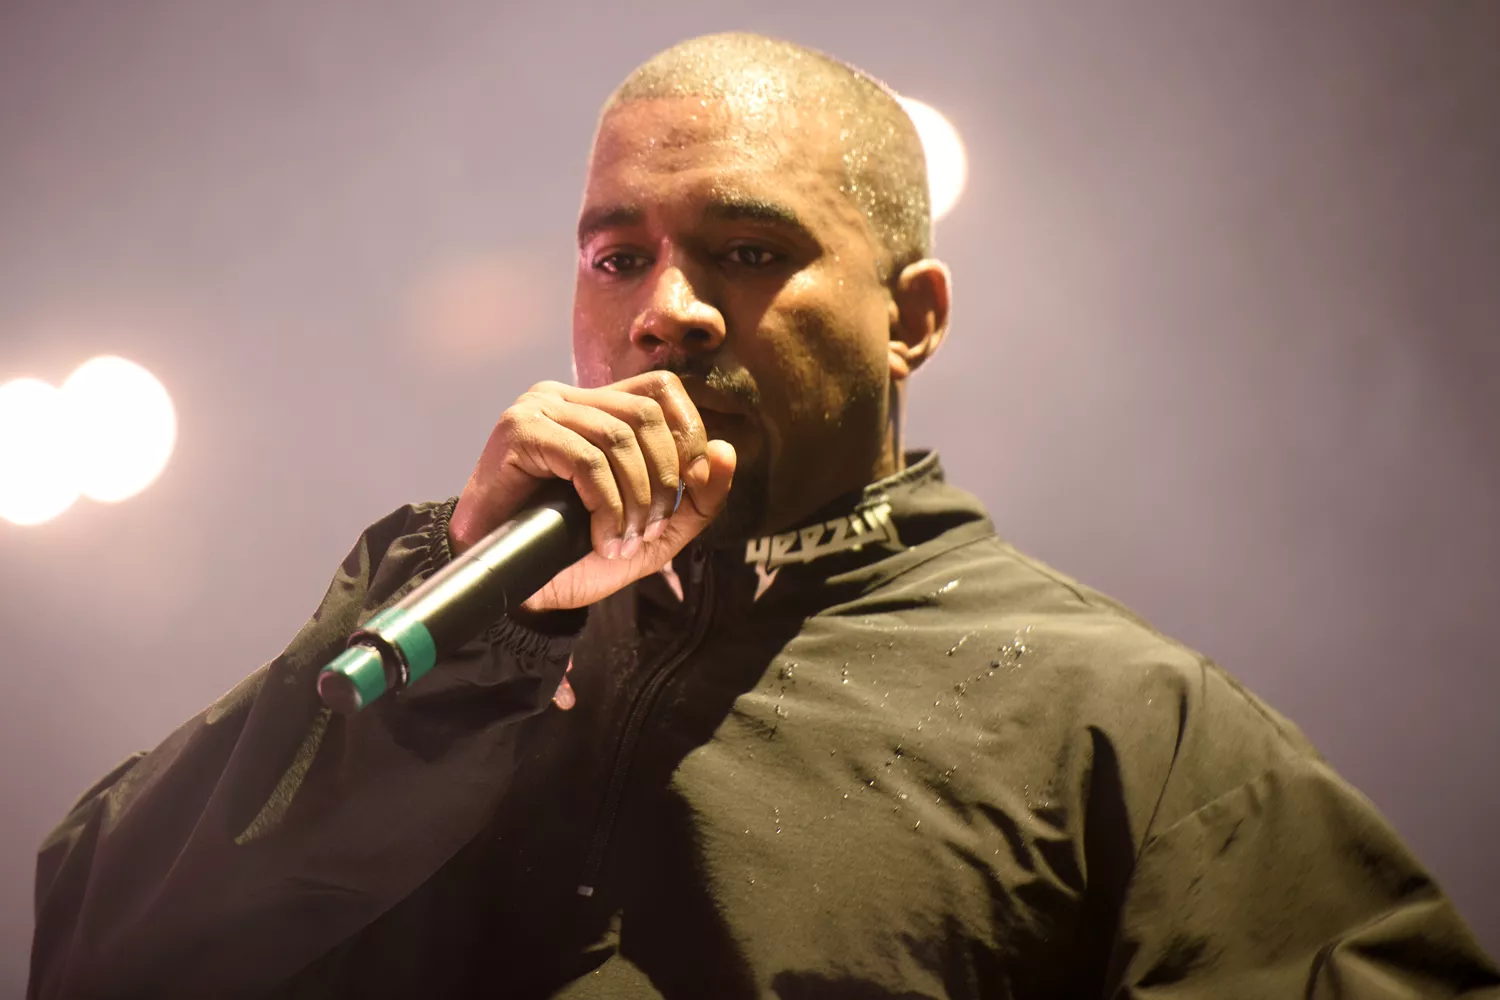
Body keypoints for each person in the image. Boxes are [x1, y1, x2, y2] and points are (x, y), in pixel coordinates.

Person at [28, 31, 1499, 1000]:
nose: (665, 311)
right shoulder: (440, 625)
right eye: (616, 259)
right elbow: (100, 953)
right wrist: (466, 613)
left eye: (742, 250)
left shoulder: (1116, 722)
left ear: (912, 318)